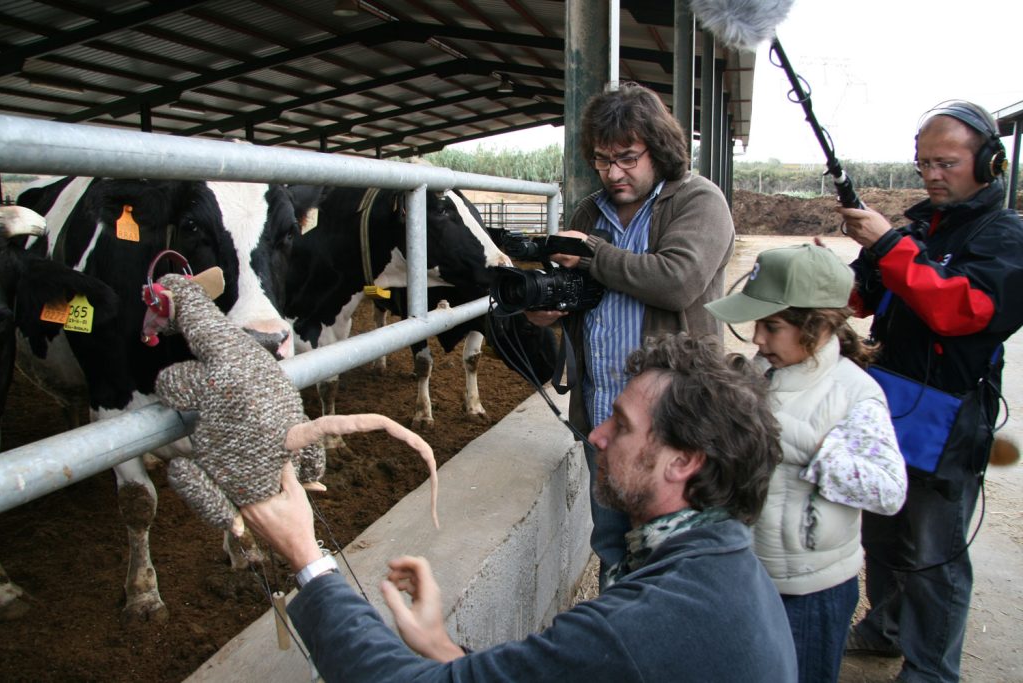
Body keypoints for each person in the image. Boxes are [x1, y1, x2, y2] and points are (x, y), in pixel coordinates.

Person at [241, 333, 797, 682]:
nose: (597, 435)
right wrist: (439, 644)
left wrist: (306, 560)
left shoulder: (640, 627)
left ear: (683, 462)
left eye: (622, 424)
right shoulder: (730, 568)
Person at [835, 100, 1023, 682]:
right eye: (923, 165)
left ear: (989, 163)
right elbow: (865, 301)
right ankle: (886, 629)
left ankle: (931, 668)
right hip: (886, 403)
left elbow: (963, 310)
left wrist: (890, 246)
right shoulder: (919, 228)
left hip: (948, 420)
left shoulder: (1006, 237)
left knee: (933, 552)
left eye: (946, 163)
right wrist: (857, 262)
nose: (932, 175)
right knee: (884, 532)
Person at [525, 82, 735, 584]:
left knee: (675, 551)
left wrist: (594, 254)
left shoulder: (697, 201)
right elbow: (578, 297)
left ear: (658, 149)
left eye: (626, 158)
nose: (613, 172)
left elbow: (677, 280)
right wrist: (548, 309)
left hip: (672, 422)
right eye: (602, 160)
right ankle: (615, 634)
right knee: (613, 543)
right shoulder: (588, 212)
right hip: (603, 419)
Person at [705, 244, 907, 683]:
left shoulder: (854, 393)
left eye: (771, 326)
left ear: (815, 326)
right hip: (746, 575)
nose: (758, 338)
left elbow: (888, 490)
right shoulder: (761, 373)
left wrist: (804, 444)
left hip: (808, 595)